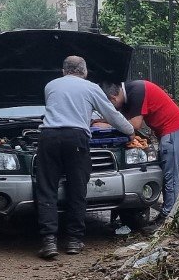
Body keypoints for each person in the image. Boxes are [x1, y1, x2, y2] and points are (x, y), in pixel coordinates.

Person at [34, 55, 134, 260]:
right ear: (85, 71)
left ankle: (49, 241)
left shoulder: (50, 85)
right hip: (76, 139)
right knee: (77, 188)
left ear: (63, 71)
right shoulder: (91, 88)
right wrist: (130, 130)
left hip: (49, 137)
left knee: (47, 189)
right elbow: (111, 115)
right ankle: (73, 240)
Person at [104, 79, 179, 219]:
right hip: (169, 132)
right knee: (166, 173)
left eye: (111, 105)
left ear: (113, 98)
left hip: (175, 131)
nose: (113, 109)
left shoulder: (137, 91)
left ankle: (169, 216)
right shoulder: (129, 93)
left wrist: (107, 125)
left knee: (170, 176)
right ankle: (169, 211)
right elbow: (122, 119)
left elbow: (135, 124)